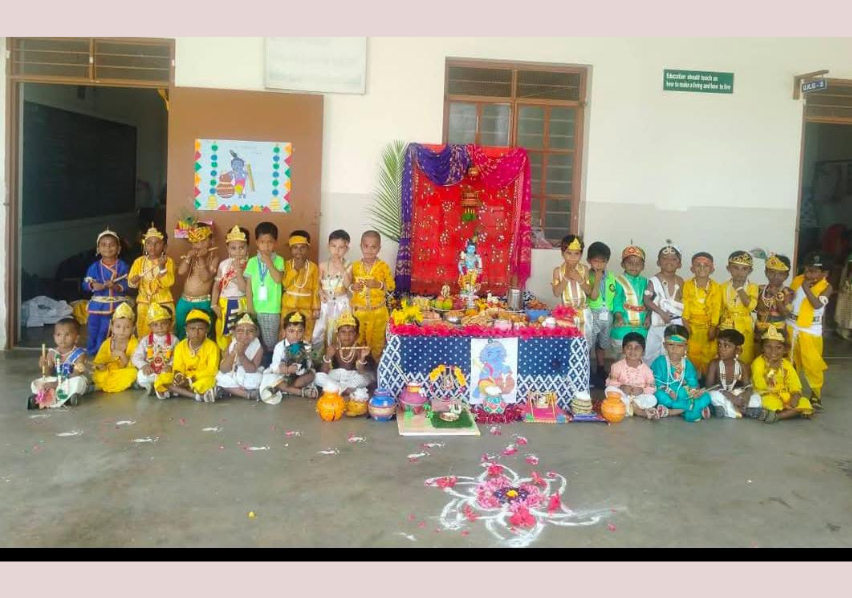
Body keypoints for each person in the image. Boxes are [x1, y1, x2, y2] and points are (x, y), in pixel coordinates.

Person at [787, 252, 832, 411]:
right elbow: (789, 297)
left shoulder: (827, 287)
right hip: (792, 325)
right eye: (806, 270)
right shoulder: (798, 280)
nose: (807, 274)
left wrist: (806, 288)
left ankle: (815, 393)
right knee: (791, 360)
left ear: (824, 273)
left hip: (810, 330)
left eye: (812, 271)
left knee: (812, 363)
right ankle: (792, 389)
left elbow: (817, 305)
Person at [746, 327, 813, 423]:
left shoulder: (787, 364)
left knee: (804, 402)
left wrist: (795, 395)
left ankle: (777, 415)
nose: (773, 351)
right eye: (768, 347)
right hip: (766, 395)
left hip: (785, 395)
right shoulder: (758, 363)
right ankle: (782, 415)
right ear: (762, 348)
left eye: (778, 348)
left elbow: (795, 384)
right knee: (771, 403)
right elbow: (759, 385)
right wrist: (772, 370)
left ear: (785, 349)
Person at [153, 309, 220, 402]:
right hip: (184, 378)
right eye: (192, 329)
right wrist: (179, 377)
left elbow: (212, 370)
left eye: (200, 329)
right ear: (186, 329)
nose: (196, 333)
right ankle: (196, 396)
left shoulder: (212, 346)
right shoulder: (180, 346)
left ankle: (177, 391)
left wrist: (190, 380)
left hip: (200, 378)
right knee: (162, 378)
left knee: (208, 381)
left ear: (207, 330)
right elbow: (178, 366)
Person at [83, 228, 130, 356]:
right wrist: (93, 285)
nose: (107, 248)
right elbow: (85, 283)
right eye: (103, 245)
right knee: (93, 329)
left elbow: (128, 284)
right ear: (98, 249)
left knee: (106, 330)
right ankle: (92, 352)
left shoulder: (123, 266)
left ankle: (103, 354)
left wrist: (115, 286)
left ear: (119, 249)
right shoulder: (94, 267)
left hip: (116, 305)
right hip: (97, 306)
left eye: (111, 245)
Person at [349, 230, 395, 361]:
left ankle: (376, 367)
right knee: (358, 340)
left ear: (379, 248)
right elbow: (348, 285)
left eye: (373, 247)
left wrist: (378, 285)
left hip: (378, 312)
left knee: (377, 343)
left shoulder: (383, 266)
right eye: (366, 246)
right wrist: (353, 287)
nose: (369, 250)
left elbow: (391, 287)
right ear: (361, 246)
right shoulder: (354, 266)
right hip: (359, 312)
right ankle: (359, 366)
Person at [650, 324, 711, 421]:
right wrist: (669, 391)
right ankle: (693, 408)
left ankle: (673, 411)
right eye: (671, 344)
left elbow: (692, 383)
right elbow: (656, 382)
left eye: (679, 345)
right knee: (658, 395)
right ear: (665, 345)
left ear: (686, 347)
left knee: (706, 396)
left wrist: (694, 392)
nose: (674, 349)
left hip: (684, 394)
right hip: (668, 394)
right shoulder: (659, 362)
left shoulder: (688, 364)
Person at [27, 318, 90, 410]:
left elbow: (76, 373)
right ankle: (49, 397)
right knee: (37, 382)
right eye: (58, 335)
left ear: (76, 338)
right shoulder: (52, 353)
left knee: (78, 381)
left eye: (67, 335)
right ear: (54, 337)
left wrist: (58, 383)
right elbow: (48, 374)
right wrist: (44, 366)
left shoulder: (80, 354)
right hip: (55, 380)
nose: (62, 338)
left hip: (69, 380)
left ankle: (52, 397)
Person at [244, 221, 285, 354]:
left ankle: (269, 363)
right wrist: (250, 307)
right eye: (262, 242)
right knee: (254, 341)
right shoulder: (252, 262)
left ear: (275, 243)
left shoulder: (279, 260)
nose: (266, 246)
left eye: (270, 242)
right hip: (255, 308)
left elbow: (278, 279)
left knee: (270, 343)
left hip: (272, 310)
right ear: (257, 242)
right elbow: (248, 287)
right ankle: (257, 363)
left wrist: (268, 261)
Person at [127, 225, 175, 338]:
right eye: (149, 243)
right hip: (144, 302)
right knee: (143, 332)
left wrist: (162, 267)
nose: (152, 247)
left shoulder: (168, 261)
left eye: (157, 243)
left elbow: (168, 283)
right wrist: (134, 280)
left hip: (163, 302)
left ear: (164, 246)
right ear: (144, 245)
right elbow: (131, 284)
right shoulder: (139, 262)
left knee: (164, 333)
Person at [260, 311, 317, 404]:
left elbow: (308, 364)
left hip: (299, 376)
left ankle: (285, 389)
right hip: (283, 376)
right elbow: (274, 365)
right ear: (284, 332)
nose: (296, 335)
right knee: (273, 378)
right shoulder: (279, 346)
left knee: (311, 375)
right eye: (291, 331)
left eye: (300, 331)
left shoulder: (306, 346)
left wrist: (297, 368)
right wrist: (281, 367)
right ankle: (299, 392)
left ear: (304, 331)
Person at [643, 241, 685, 366]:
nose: (669, 261)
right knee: (653, 353)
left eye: (673, 259)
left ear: (679, 264)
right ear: (658, 262)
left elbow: (683, 301)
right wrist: (661, 313)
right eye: (665, 258)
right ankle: (653, 375)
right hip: (658, 322)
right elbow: (647, 300)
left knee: (673, 353)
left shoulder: (681, 281)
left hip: (676, 324)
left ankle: (671, 375)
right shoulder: (654, 280)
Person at [604, 332, 662, 420]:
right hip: (623, 395)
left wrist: (642, 390)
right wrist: (621, 387)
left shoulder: (647, 370)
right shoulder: (616, 366)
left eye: (637, 348)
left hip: (639, 397)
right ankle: (637, 410)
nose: (632, 351)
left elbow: (652, 387)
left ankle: (628, 408)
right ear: (623, 350)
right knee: (609, 390)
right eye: (628, 347)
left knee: (653, 399)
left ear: (643, 352)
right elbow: (610, 382)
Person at [315, 311, 375, 396]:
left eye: (351, 332)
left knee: (366, 378)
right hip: (337, 377)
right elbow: (324, 372)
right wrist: (328, 356)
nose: (347, 336)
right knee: (317, 376)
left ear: (357, 335)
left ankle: (335, 389)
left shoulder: (360, 349)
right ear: (337, 335)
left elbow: (361, 372)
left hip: (353, 377)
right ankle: (346, 390)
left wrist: (362, 358)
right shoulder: (333, 347)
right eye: (343, 332)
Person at [175, 223, 219, 339]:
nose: (199, 245)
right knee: (181, 329)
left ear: (211, 241)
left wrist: (201, 259)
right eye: (195, 242)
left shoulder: (214, 258)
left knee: (203, 331)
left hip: (203, 302)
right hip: (184, 300)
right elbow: (181, 272)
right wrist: (188, 257)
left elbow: (205, 277)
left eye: (203, 241)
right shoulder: (191, 257)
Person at [681, 252, 722, 377]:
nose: (702, 268)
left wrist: (713, 326)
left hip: (708, 328)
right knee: (691, 354)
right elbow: (685, 305)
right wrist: (686, 324)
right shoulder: (687, 285)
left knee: (709, 355)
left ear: (712, 269)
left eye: (706, 265)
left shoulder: (716, 287)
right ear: (692, 268)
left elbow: (716, 308)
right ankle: (692, 380)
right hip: (692, 327)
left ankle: (707, 380)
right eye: (698, 265)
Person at [312, 229, 352, 351]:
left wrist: (341, 267)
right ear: (328, 246)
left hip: (342, 304)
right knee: (321, 330)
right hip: (326, 303)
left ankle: (339, 355)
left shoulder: (349, 265)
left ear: (347, 249)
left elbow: (348, 285)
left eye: (341, 247)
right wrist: (320, 292)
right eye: (333, 246)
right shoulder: (323, 265)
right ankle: (321, 356)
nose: (337, 250)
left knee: (340, 329)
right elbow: (317, 284)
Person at [706, 329, 760, 418]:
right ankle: (742, 410)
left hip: (736, 394)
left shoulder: (741, 365)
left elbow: (747, 386)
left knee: (756, 397)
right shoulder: (714, 364)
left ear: (737, 350)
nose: (721, 349)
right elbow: (709, 387)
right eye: (719, 345)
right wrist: (729, 396)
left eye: (726, 346)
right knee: (712, 395)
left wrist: (746, 396)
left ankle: (728, 409)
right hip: (722, 394)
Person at [551, 235, 593, 349]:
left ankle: (584, 360)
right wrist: (566, 277)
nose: (573, 257)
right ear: (562, 253)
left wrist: (579, 278)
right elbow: (556, 293)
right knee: (568, 344)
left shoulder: (584, 269)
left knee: (585, 343)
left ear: (581, 255)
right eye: (569, 253)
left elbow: (589, 292)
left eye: (577, 254)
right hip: (567, 314)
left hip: (584, 312)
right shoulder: (558, 271)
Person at [212, 225, 249, 351]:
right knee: (222, 332)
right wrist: (213, 305)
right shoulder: (223, 264)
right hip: (224, 303)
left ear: (247, 248)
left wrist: (238, 271)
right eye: (233, 248)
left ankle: (238, 357)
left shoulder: (249, 265)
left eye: (241, 248)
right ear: (228, 248)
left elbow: (244, 289)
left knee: (239, 333)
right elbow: (217, 286)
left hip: (240, 303)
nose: (238, 252)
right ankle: (224, 356)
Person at [719, 250, 759, 365]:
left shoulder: (753, 287)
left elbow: (751, 306)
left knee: (744, 355)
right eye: (735, 268)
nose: (739, 272)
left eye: (744, 269)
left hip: (745, 326)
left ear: (750, 271)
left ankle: (743, 375)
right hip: (726, 325)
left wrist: (739, 289)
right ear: (728, 268)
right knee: (726, 354)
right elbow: (719, 309)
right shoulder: (722, 287)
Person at [280, 230, 320, 342]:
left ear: (308, 248)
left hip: (306, 307)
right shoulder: (286, 264)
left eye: (302, 247)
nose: (299, 251)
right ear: (290, 249)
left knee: (306, 332)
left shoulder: (313, 267)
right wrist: (295, 270)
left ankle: (305, 352)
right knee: (286, 332)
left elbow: (316, 288)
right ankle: (285, 352)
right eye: (295, 248)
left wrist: (316, 308)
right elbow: (284, 284)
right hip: (288, 306)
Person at [586, 241, 617, 387]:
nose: (599, 265)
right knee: (589, 343)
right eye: (596, 261)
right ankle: (588, 371)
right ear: (589, 261)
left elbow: (614, 295)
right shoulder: (586, 276)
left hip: (607, 314)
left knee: (602, 344)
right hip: (592, 313)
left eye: (603, 261)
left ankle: (600, 368)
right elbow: (592, 296)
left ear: (607, 261)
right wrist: (597, 279)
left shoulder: (611, 277)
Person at [91, 302, 139, 394]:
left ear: (133, 329)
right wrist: (100, 366)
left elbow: (133, 365)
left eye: (127, 327)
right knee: (99, 374)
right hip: (109, 371)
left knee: (133, 373)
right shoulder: (107, 343)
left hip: (124, 371)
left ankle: (100, 386)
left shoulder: (134, 343)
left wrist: (122, 355)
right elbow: (98, 362)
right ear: (112, 327)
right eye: (118, 326)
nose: (122, 331)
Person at [215, 312, 264, 401]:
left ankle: (231, 390)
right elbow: (224, 369)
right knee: (220, 377)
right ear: (234, 333)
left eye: (250, 331)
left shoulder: (258, 347)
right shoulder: (231, 344)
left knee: (257, 379)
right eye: (240, 331)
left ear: (256, 333)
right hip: (233, 373)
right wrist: (233, 353)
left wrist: (241, 355)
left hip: (248, 374)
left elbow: (252, 370)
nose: (245, 335)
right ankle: (246, 394)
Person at [132, 303, 178, 396]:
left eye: (163, 323)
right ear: (150, 326)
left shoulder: (174, 340)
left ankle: (157, 386)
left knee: (171, 376)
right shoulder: (145, 340)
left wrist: (170, 366)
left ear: (169, 324)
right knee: (141, 375)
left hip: (165, 370)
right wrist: (144, 366)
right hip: (151, 370)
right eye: (155, 325)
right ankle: (153, 386)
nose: (160, 327)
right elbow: (136, 357)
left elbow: (177, 357)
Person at [610, 244, 649, 353]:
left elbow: (648, 302)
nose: (634, 266)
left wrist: (648, 318)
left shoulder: (645, 282)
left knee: (639, 353)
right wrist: (618, 316)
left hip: (641, 326)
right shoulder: (618, 281)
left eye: (638, 264)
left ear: (643, 266)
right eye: (630, 263)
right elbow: (617, 300)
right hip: (623, 324)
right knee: (622, 354)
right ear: (623, 264)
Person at [755, 253, 793, 339]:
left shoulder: (788, 292)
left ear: (786, 276)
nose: (776, 276)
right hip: (759, 328)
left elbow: (786, 314)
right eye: (772, 272)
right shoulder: (760, 289)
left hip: (778, 330)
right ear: (766, 272)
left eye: (780, 274)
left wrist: (776, 294)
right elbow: (754, 309)